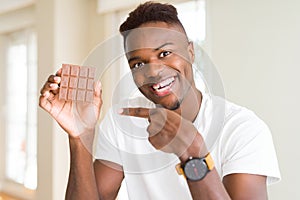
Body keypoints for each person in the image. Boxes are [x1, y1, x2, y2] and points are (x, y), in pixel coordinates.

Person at [39, 2, 280, 199]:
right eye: (138, 64)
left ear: (190, 52)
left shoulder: (242, 129)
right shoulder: (122, 120)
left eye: (165, 53)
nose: (153, 71)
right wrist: (80, 137)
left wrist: (191, 152)